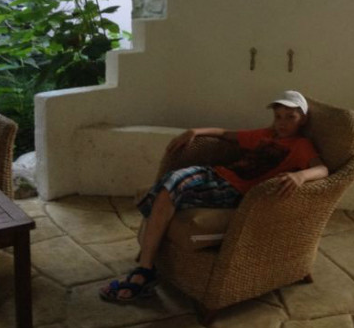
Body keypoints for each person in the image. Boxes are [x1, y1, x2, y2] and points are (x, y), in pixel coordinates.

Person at [99, 90, 328, 303]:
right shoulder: (266, 135)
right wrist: (195, 131)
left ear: (303, 119)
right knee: (170, 184)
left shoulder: (301, 145)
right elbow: (226, 134)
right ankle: (146, 268)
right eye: (278, 117)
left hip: (232, 190)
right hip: (215, 174)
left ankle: (144, 272)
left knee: (170, 188)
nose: (282, 123)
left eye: (290, 117)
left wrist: (301, 176)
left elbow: (323, 169)